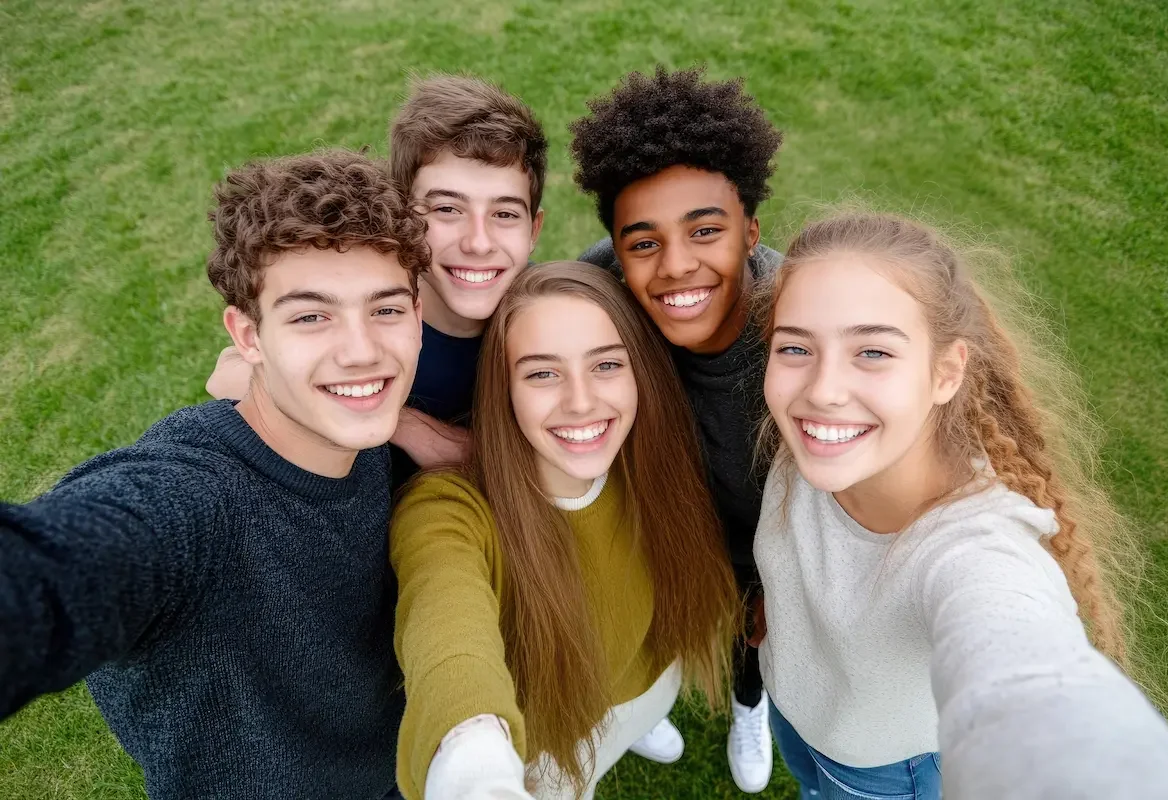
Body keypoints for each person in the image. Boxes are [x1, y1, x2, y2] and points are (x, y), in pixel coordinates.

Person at [0, 151, 428, 800]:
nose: (362, 350)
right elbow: (55, 571)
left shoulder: (357, 433)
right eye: (311, 315)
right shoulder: (188, 502)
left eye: (386, 309)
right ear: (247, 336)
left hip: (394, 767)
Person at [755, 210, 1168, 798]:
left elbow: (1018, 662)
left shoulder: (976, 550)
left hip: (888, 773)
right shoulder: (810, 447)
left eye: (874, 353)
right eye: (795, 348)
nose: (822, 390)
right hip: (799, 714)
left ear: (945, 373)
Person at [390, 262, 739, 799]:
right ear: (501, 389)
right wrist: (474, 759)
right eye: (542, 373)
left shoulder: (651, 458)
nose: (581, 401)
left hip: (649, 683)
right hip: (553, 741)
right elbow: (446, 623)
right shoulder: (449, 510)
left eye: (605, 366)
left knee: (637, 715)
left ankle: (641, 725)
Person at [570, 65, 783, 792]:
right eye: (645, 243)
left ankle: (749, 701)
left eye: (706, 230)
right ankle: (643, 700)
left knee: (754, 634)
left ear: (751, 230)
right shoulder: (594, 295)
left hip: (767, 543)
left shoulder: (806, 326)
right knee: (646, 617)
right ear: (617, 254)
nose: (677, 266)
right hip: (659, 528)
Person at [208, 74, 546, 486]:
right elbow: (229, 373)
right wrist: (418, 431)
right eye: (446, 209)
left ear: (534, 230)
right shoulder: (367, 312)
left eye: (505, 214)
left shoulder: (547, 313)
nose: (478, 243)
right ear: (402, 214)